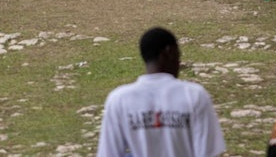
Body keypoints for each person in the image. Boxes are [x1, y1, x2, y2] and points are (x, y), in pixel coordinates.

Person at [96, 27, 226, 157]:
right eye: (178, 55)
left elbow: (109, 153)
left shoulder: (119, 99)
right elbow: (206, 152)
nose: (179, 62)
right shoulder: (194, 95)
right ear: (169, 52)